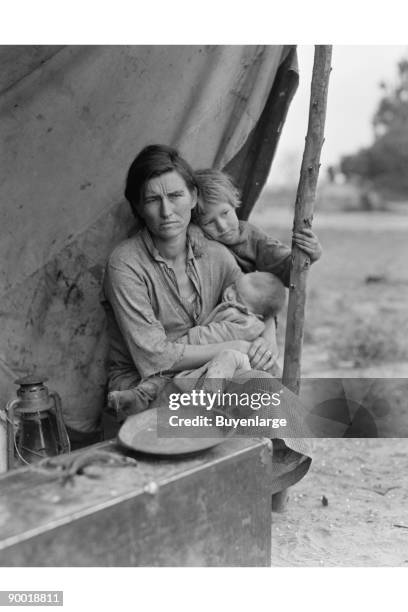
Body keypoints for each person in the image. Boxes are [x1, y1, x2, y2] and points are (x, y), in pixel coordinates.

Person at [102, 144, 312, 500]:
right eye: (152, 200)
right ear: (138, 207)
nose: (167, 210)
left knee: (267, 391)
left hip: (212, 373)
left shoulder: (215, 253)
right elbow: (154, 358)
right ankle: (216, 494)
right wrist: (235, 347)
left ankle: (241, 494)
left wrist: (267, 339)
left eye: (175, 195)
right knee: (221, 402)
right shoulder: (126, 264)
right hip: (147, 383)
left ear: (193, 196)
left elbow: (256, 298)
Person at [107, 270, 285, 418]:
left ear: (257, 314)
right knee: (167, 377)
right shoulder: (243, 310)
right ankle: (139, 397)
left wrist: (181, 345)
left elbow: (209, 336)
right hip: (210, 364)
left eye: (237, 295)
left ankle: (143, 397)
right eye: (234, 286)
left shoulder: (242, 322)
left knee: (169, 376)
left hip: (212, 367)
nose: (229, 292)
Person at [193, 168, 322, 284]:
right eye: (209, 222)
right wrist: (192, 231)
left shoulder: (253, 238)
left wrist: (310, 255)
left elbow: (284, 267)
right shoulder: (195, 236)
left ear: (233, 204)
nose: (221, 226)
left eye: (225, 213)